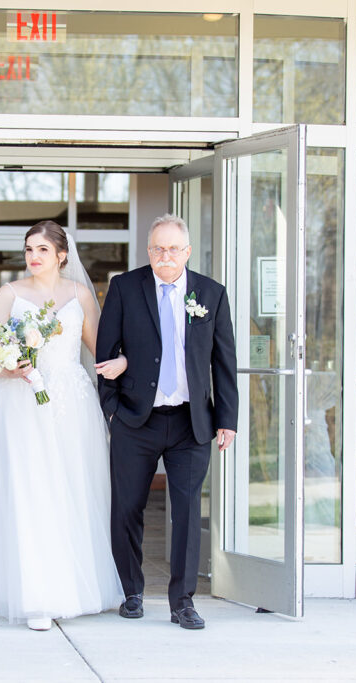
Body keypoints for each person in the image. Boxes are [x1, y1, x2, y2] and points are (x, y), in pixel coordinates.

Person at [0, 220, 126, 631]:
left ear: (62, 255)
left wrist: (123, 361)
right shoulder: (10, 294)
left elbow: (101, 350)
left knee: (68, 492)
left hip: (70, 403)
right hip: (18, 402)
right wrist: (9, 367)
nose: (34, 256)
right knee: (27, 494)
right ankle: (33, 596)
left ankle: (71, 589)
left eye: (43, 249)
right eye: (29, 249)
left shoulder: (81, 295)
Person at [96, 213, 239, 630]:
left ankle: (183, 602)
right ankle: (131, 592)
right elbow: (105, 355)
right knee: (127, 508)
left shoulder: (211, 294)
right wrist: (113, 412)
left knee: (188, 513)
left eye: (174, 248)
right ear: (148, 250)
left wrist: (227, 419)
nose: (165, 255)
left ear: (187, 251)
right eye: (158, 248)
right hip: (135, 420)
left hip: (191, 423)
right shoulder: (125, 288)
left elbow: (224, 362)